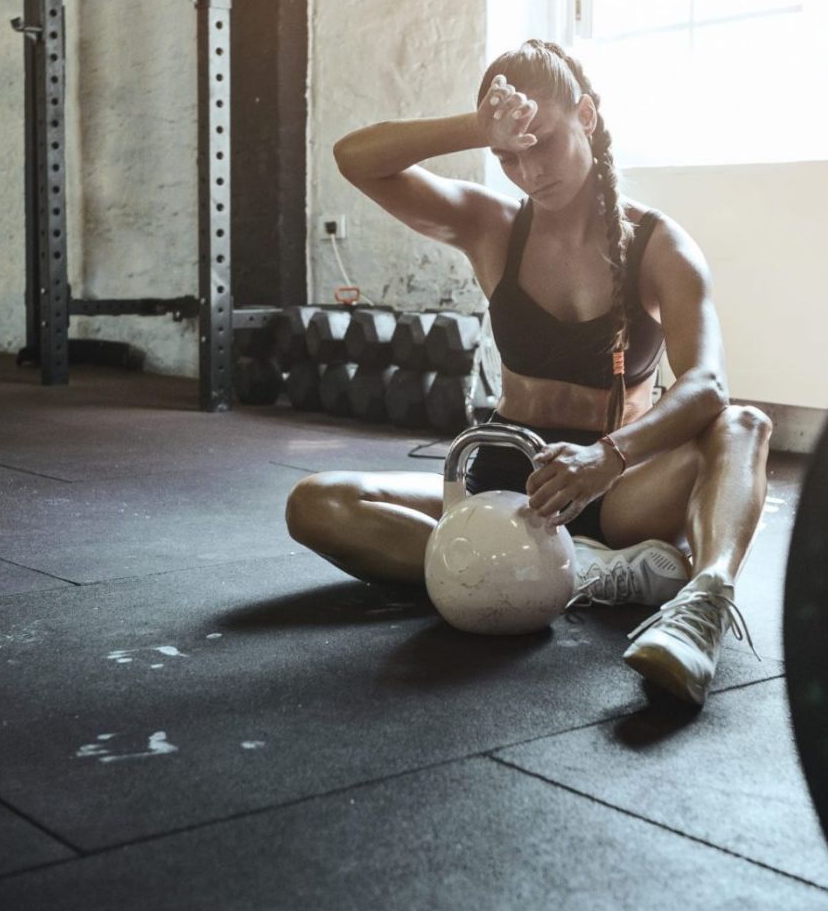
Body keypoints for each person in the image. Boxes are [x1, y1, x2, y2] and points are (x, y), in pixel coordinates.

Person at [285, 39, 772, 706]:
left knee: (743, 422)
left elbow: (706, 386)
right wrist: (475, 127)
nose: (527, 169)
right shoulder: (492, 227)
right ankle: (582, 575)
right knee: (319, 503)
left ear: (588, 117)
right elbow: (354, 159)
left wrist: (608, 456)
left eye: (540, 142)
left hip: (620, 485)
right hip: (508, 485)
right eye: (507, 155)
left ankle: (704, 601)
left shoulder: (659, 244)